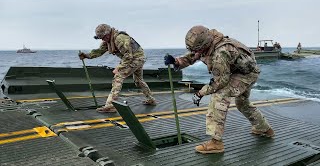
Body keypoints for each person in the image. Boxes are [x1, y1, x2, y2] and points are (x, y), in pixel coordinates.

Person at [164, 25, 274, 154]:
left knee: (219, 96)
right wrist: (177, 62)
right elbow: (193, 55)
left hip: (245, 75)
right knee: (242, 102)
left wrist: (200, 93)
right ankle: (264, 128)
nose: (196, 52)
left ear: (204, 44)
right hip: (237, 71)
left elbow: (219, 82)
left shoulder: (220, 53)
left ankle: (216, 143)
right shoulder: (208, 42)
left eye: (198, 49)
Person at [79, 24, 156, 113]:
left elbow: (128, 56)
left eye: (103, 37)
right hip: (137, 58)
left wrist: (118, 68)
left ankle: (110, 105)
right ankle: (151, 99)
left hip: (135, 59)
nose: (103, 40)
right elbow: (99, 51)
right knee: (138, 80)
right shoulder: (108, 41)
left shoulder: (119, 38)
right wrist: (86, 56)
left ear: (108, 34)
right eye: (101, 38)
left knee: (118, 78)